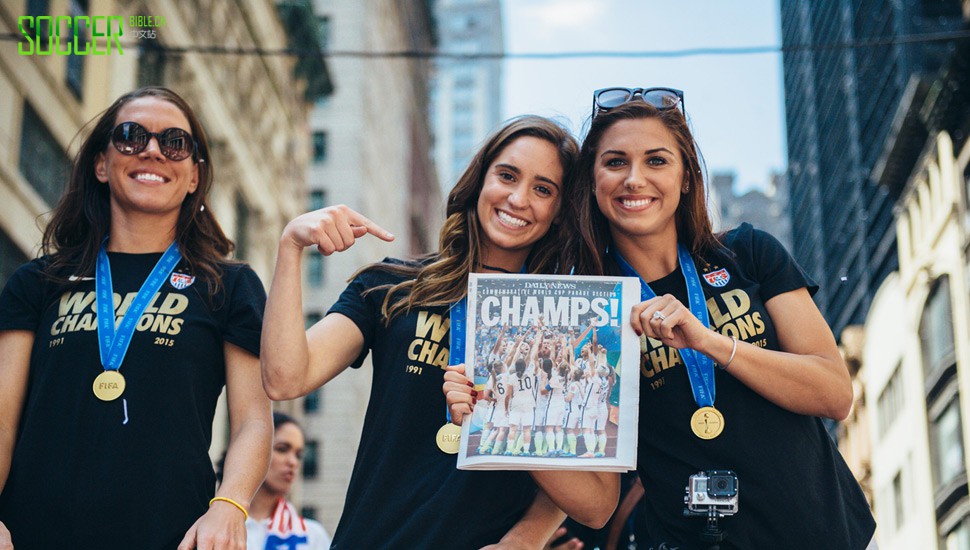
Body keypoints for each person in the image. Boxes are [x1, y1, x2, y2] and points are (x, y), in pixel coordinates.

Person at [261, 115, 619, 548]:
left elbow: (594, 503)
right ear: (479, 183)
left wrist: (525, 537)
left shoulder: (568, 325)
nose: (518, 198)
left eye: (543, 189)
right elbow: (285, 377)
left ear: (561, 213)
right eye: (507, 176)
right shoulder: (391, 286)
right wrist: (290, 246)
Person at [568, 88, 876, 548]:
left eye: (656, 161)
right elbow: (596, 498)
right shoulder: (589, 311)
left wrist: (709, 342)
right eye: (615, 163)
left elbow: (834, 393)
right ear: (592, 183)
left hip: (827, 534)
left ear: (687, 177)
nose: (635, 179)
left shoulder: (748, 252)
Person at [0, 86, 272, 549]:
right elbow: (3, 417)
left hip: (169, 536)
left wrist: (229, 506)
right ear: (101, 164)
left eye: (174, 143)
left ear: (192, 177)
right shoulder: (39, 281)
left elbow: (252, 421)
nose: (152, 150)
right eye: (130, 136)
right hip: (32, 534)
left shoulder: (229, 286)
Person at [240, 412, 331, 550]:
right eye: (282, 449)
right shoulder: (217, 526)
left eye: (299, 455)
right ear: (252, 449)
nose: (293, 462)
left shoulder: (313, 536)